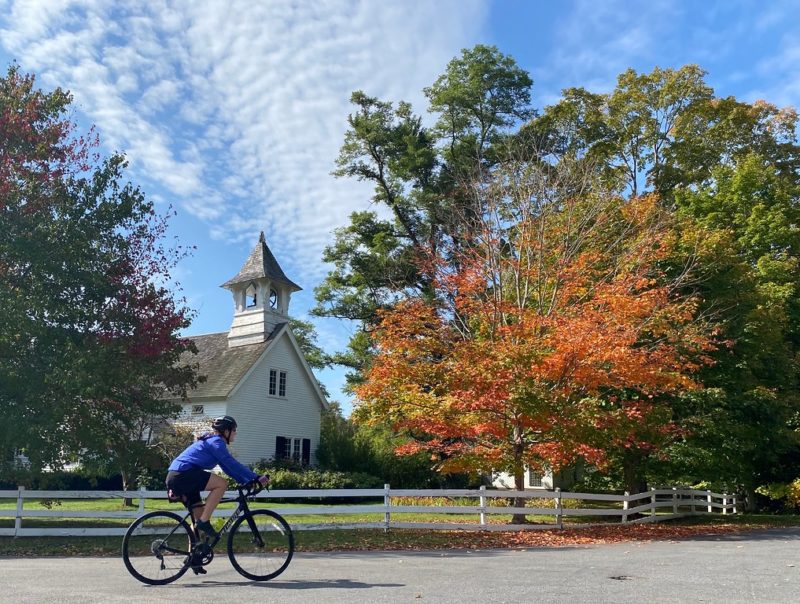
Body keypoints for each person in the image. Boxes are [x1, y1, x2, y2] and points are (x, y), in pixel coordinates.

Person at [166, 415, 268, 572]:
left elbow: (227, 467)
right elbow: (231, 462)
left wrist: (245, 481)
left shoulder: (212, 442)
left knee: (198, 519)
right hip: (184, 475)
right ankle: (204, 522)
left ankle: (194, 558)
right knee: (221, 484)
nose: (235, 433)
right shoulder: (216, 442)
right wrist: (255, 477)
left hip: (178, 476)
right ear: (226, 431)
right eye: (234, 430)